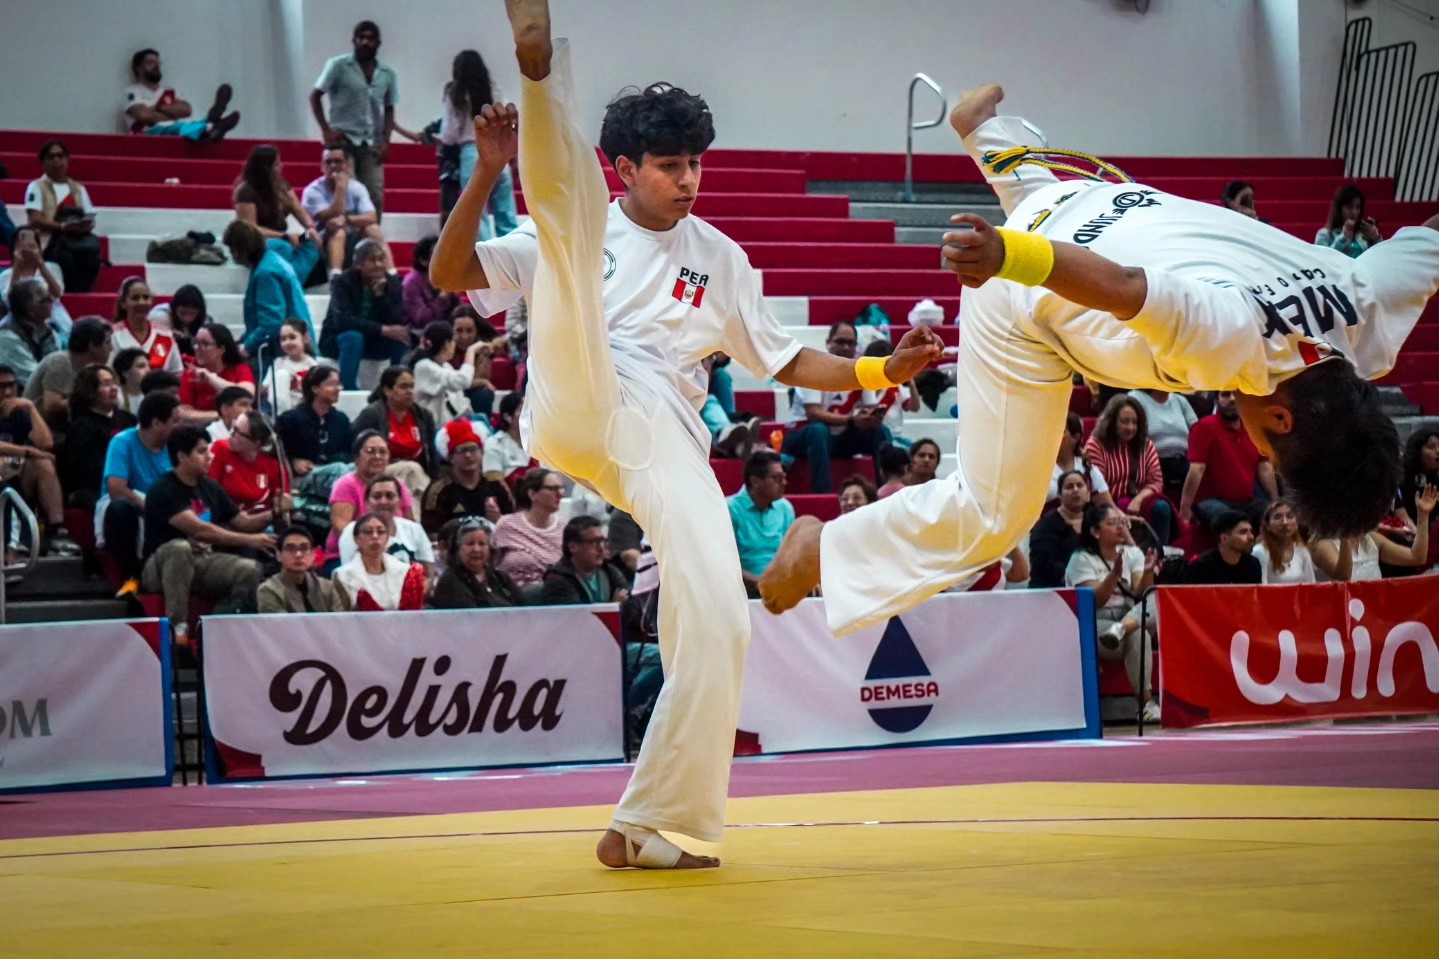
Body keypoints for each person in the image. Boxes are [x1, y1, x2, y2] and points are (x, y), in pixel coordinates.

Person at [429, 1, 941, 870]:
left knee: (720, 618)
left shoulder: (721, 257)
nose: (688, 178)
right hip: (576, 388)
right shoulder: (584, 221)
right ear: (626, 167)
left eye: (695, 162)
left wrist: (879, 370)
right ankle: (539, 66)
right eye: (669, 165)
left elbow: (786, 358)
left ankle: (650, 822)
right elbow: (449, 272)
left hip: (656, 433)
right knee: (566, 231)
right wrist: (485, 171)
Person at [759, 81, 1437, 641]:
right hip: (1031, 282)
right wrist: (1005, 257)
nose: (1257, 444)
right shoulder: (1235, 340)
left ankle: (988, 133)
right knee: (996, 513)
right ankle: (824, 547)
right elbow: (1121, 287)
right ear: (1282, 420)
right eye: (1270, 451)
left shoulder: (1365, 305)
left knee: (1092, 280)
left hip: (1092, 199)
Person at [140, 425, 273, 644]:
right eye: (202, 452)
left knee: (249, 570)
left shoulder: (210, 486)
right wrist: (252, 541)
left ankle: (218, 626)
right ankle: (177, 628)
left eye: (209, 450)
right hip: (161, 567)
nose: (210, 456)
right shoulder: (163, 489)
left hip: (201, 561)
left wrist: (274, 512)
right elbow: (201, 530)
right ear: (182, 456)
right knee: (179, 547)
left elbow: (243, 522)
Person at [1064, 503, 1160, 721]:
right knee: (1139, 635)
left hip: (1128, 617)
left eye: (1121, 522)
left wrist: (1147, 572)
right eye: (1112, 523)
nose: (1120, 527)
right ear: (1095, 532)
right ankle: (1147, 704)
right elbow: (1093, 602)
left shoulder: (1132, 552)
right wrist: (1114, 574)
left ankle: (1122, 628)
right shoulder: (1081, 559)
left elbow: (1140, 592)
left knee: (1156, 597)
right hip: (1095, 622)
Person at [781, 320, 892, 494]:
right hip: (803, 434)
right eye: (840, 342)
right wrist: (851, 420)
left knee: (881, 431)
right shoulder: (812, 368)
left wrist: (872, 418)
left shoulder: (862, 371)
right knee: (818, 430)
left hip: (840, 438)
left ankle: (888, 489)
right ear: (828, 343)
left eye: (850, 343)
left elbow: (870, 408)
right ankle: (822, 495)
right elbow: (813, 414)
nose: (846, 348)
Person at [311, 21, 399, 220]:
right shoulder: (338, 66)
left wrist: (386, 140)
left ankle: (372, 236)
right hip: (343, 139)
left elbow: (389, 108)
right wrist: (325, 130)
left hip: (371, 142)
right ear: (354, 41)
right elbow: (315, 96)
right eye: (361, 38)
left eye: (370, 38)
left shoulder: (387, 74)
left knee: (374, 194)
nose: (365, 42)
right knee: (348, 192)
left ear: (378, 43)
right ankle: (347, 237)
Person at [101, 392, 182, 592]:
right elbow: (117, 488)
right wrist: (151, 509)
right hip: (134, 506)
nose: (179, 426)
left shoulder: (176, 446)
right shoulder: (122, 441)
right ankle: (130, 578)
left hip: (165, 506)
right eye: (174, 421)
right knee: (120, 509)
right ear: (156, 423)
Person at [438, 49, 518, 237]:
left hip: (470, 153)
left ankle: (483, 253)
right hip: (498, 151)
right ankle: (512, 250)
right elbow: (510, 119)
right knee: (506, 213)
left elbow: (449, 134)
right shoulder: (494, 90)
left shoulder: (456, 94)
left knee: (477, 215)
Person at [0, 364, 77, 555]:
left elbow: (46, 443)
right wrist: (29, 451)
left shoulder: (18, 412)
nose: (7, 392)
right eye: (1, 387)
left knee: (44, 464)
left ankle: (57, 531)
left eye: (11, 385)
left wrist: (31, 407)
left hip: (16, 475)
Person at [1179, 389, 1278, 531]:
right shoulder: (1204, 427)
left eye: (1236, 395)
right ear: (1216, 400)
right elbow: (1197, 469)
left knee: (1273, 518)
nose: (1232, 399)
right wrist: (1185, 509)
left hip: (1246, 501)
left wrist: (1276, 504)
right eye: (1226, 394)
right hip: (1210, 501)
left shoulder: (1252, 428)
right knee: (1231, 521)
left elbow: (1265, 468)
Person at [221, 220, 317, 365]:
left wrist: (246, 347)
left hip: (281, 353)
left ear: (241, 249)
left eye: (232, 249)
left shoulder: (266, 273)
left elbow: (272, 322)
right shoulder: (271, 260)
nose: (232, 255)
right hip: (296, 343)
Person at [318, 239, 409, 389]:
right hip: (338, 341)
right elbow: (343, 320)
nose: (378, 264)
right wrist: (381, 329)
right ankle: (348, 388)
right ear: (359, 264)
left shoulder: (392, 283)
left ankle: (398, 385)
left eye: (381, 259)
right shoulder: (343, 282)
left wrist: (380, 296)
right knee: (353, 337)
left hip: (374, 341)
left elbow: (396, 318)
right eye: (372, 260)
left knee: (402, 337)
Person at [1083, 394, 1174, 543]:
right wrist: (1117, 511)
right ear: (1112, 421)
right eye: (1124, 422)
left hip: (1136, 500)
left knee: (1161, 508)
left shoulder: (1146, 445)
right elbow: (1097, 489)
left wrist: (1138, 500)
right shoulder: (1095, 446)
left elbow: (1156, 482)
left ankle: (1159, 551)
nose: (1130, 427)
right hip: (1106, 504)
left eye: (1134, 422)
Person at [323, 430, 417, 567]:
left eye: (382, 452)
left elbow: (410, 523)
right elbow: (341, 528)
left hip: (395, 554)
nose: (377, 456)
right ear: (357, 457)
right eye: (370, 451)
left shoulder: (397, 485)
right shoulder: (346, 484)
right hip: (348, 556)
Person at [233, 145, 324, 285]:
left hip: (284, 237)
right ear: (265, 168)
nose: (281, 167)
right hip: (258, 240)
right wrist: (283, 236)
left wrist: (310, 228)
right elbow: (251, 228)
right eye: (276, 164)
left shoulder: (282, 185)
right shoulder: (245, 191)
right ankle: (291, 282)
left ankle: (289, 281)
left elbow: (298, 210)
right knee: (282, 247)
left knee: (311, 245)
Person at [1312, 485, 1437, 581]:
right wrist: (1345, 535)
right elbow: (1344, 576)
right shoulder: (1323, 545)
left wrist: (1423, 514)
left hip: (1373, 606)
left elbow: (1418, 557)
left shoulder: (1372, 539)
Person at [23, 140, 101, 293]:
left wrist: (83, 226)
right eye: (51, 157)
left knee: (93, 258)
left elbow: (90, 217)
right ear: (43, 163)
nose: (57, 160)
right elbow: (35, 218)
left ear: (68, 159)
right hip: (50, 241)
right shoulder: (36, 187)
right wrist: (62, 227)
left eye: (60, 156)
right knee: (65, 258)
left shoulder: (78, 188)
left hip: (78, 239)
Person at [301, 145, 388, 276]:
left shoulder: (357, 187)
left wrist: (347, 219)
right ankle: (335, 276)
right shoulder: (312, 191)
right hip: (320, 242)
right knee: (338, 231)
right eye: (328, 162)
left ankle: (390, 272)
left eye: (338, 161)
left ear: (347, 165)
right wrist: (340, 188)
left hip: (351, 241)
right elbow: (332, 216)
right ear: (322, 166)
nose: (333, 166)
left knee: (373, 229)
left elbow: (372, 217)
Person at [60, 363, 137, 509]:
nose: (114, 388)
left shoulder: (129, 419)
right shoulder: (81, 427)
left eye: (114, 383)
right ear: (90, 391)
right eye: (106, 384)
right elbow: (90, 470)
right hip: (99, 488)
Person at [351, 365, 436, 494]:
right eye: (403, 387)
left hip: (418, 475)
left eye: (412, 386)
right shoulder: (373, 414)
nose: (409, 391)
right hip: (380, 471)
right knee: (410, 469)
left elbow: (432, 454)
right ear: (387, 391)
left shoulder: (424, 416)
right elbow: (356, 450)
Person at [122, 49, 239, 141]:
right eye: (151, 63)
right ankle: (211, 123)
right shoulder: (131, 92)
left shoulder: (170, 91)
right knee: (179, 126)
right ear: (138, 68)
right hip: (148, 136)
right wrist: (173, 113)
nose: (156, 66)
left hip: (176, 132)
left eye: (158, 63)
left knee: (185, 125)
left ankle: (211, 123)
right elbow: (144, 116)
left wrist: (158, 108)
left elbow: (186, 110)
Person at [422, 418, 513, 534]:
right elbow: (432, 533)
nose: (468, 455)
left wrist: (499, 520)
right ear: (451, 458)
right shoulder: (439, 491)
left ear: (482, 452)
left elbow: (512, 527)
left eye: (473, 449)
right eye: (462, 451)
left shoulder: (495, 485)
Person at [727, 450, 794, 598]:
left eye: (784, 477)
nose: (784, 483)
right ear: (755, 481)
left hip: (780, 589)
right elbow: (723, 562)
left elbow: (792, 555)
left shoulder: (785, 508)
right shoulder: (729, 509)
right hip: (742, 591)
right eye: (776, 478)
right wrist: (758, 583)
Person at [24, 316, 112, 428]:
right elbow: (51, 406)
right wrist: (94, 399)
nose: (111, 348)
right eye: (107, 342)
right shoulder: (61, 361)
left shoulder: (90, 369)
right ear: (92, 346)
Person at [337, 474, 435, 574]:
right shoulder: (352, 531)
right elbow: (350, 575)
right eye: (377, 496)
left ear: (400, 501)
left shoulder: (415, 529)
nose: (383, 501)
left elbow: (428, 574)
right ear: (367, 502)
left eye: (389, 496)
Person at [490, 467, 566, 592]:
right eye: (552, 489)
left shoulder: (564, 528)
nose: (560, 494)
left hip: (552, 596)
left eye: (561, 489)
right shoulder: (507, 525)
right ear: (532, 494)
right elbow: (490, 563)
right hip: (513, 595)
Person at [333, 511, 426, 611]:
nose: (375, 536)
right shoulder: (342, 575)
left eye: (381, 532)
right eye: (368, 532)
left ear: (387, 538)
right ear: (356, 539)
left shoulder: (404, 571)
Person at [429, 516, 523, 608]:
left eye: (482, 544)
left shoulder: (500, 578)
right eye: (470, 544)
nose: (476, 549)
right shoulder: (449, 582)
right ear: (458, 548)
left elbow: (523, 606)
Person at [275, 364, 352, 477]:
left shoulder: (341, 419)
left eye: (338, 384)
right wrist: (293, 462)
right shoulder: (290, 419)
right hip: (304, 476)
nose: (338, 389)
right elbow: (277, 452)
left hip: (334, 470)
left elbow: (349, 451)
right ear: (315, 388)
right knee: (339, 470)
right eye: (331, 384)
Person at [1, 225, 74, 342]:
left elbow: (57, 293)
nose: (27, 248)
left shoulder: (52, 268)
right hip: (19, 322)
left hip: (53, 319)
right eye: (21, 245)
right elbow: (10, 301)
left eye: (32, 245)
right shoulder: (6, 275)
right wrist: (17, 265)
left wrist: (40, 264)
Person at [537, 515, 630, 605]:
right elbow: (574, 614)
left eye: (602, 541)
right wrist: (613, 606)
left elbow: (631, 601)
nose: (601, 548)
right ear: (573, 547)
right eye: (594, 542)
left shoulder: (610, 572)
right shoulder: (557, 580)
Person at [258, 525, 351, 613]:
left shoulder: (327, 587)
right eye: (290, 549)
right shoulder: (268, 590)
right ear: (278, 555)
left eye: (304, 548)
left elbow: (339, 621)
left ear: (313, 554)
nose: (298, 554)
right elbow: (279, 624)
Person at [208, 410, 286, 515]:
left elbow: (281, 502)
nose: (231, 434)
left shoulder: (274, 466)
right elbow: (209, 490)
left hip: (261, 518)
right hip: (225, 516)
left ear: (256, 443)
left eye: (237, 432)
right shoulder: (221, 449)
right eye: (233, 428)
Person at [411, 320, 485, 425]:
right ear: (446, 344)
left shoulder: (446, 366)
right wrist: (471, 351)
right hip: (436, 428)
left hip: (457, 422)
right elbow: (463, 380)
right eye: (453, 341)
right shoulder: (423, 366)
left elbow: (460, 401)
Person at [179, 323, 255, 419]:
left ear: (221, 349)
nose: (196, 348)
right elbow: (184, 414)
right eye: (195, 342)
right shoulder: (190, 373)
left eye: (205, 344)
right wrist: (225, 414)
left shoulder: (240, 369)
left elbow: (247, 395)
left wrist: (212, 380)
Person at [1029, 469, 1090, 588]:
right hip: (1051, 590)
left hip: (1090, 584)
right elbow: (1043, 562)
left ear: (1088, 494)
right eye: (1069, 487)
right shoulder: (1047, 526)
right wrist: (1076, 578)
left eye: (1080, 485)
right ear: (1059, 495)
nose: (1075, 490)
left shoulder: (1096, 520)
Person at [1128, 389, 1197, 490]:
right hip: (1151, 465)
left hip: (1183, 463)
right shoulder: (1136, 397)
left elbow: (1198, 430)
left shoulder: (1180, 400)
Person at [110, 277, 182, 374]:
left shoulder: (166, 335)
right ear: (123, 303)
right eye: (135, 298)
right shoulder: (112, 335)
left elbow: (177, 373)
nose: (141, 302)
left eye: (146, 297)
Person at [0, 279, 61, 391]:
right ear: (29, 308)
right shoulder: (6, 336)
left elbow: (57, 366)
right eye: (45, 299)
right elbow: (34, 380)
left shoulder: (46, 329)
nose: (52, 300)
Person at [1049, 411, 1112, 508]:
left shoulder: (1087, 468)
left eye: (1061, 431)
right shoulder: (1039, 468)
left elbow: (1109, 506)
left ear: (1075, 438)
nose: (1053, 435)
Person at [1182, 510, 1262, 585]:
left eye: (1250, 531)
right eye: (1243, 532)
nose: (1251, 537)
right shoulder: (1201, 567)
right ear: (1224, 538)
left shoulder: (1253, 564)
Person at [402, 236, 460, 333]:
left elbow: (457, 314)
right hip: (419, 333)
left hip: (446, 329)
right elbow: (422, 320)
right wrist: (442, 299)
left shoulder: (445, 276)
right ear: (423, 260)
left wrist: (454, 297)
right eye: (439, 254)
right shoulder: (411, 283)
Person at [1252, 498, 1316, 585]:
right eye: (1277, 517)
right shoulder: (1260, 551)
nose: (1285, 522)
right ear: (1267, 525)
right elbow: (1262, 588)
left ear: (1297, 524)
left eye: (1289, 516)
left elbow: (1311, 585)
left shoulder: (1302, 550)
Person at [266, 318, 319, 416]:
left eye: (292, 337)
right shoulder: (278, 363)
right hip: (281, 414)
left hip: (305, 413)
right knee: (282, 374)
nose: (287, 342)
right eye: (283, 339)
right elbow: (266, 388)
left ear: (305, 338)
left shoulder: (313, 366)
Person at [1315, 184, 1382, 259]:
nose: (1354, 212)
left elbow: (1380, 258)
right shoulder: (1324, 234)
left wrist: (1375, 238)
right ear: (1339, 209)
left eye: (1358, 207)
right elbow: (1322, 259)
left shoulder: (1364, 233)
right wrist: (1344, 237)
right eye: (1349, 207)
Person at [482, 391, 534, 486]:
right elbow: (495, 483)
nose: (531, 414)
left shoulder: (541, 444)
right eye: (524, 410)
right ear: (508, 417)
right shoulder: (494, 444)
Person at [146, 284, 209, 361]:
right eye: (183, 313)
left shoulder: (205, 321)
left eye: (192, 314)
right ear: (175, 308)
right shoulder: (160, 317)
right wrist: (168, 335)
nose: (187, 318)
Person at [113, 347, 150, 417]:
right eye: (141, 366)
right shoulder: (115, 397)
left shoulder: (154, 395)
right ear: (125, 372)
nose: (148, 370)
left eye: (148, 366)